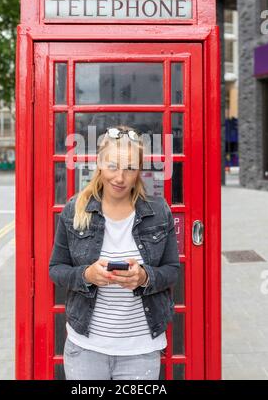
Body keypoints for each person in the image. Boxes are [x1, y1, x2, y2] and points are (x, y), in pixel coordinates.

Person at [49, 125, 180, 380]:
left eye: (130, 168)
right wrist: (87, 275)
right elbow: (56, 269)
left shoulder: (159, 211)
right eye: (112, 166)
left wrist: (144, 277)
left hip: (141, 349)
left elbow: (172, 271)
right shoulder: (76, 210)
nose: (120, 177)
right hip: (86, 347)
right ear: (99, 163)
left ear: (139, 170)